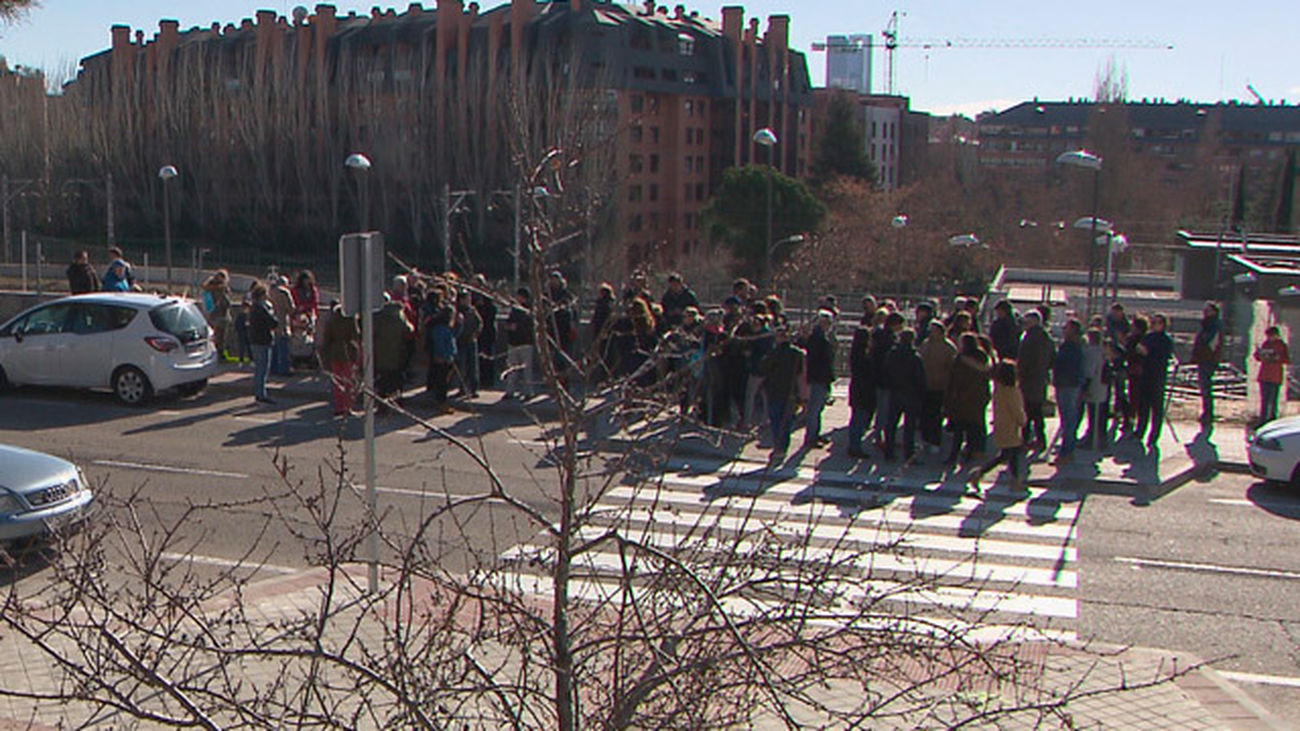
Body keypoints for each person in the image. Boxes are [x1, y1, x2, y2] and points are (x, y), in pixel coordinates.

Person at [968, 360, 1028, 497]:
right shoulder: (1012, 391)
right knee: (1009, 454)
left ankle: (1013, 480)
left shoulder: (999, 389)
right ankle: (982, 473)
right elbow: (1016, 409)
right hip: (1011, 427)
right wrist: (1023, 420)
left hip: (1002, 425)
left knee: (1008, 454)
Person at [944, 332, 992, 466]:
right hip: (978, 397)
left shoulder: (960, 360)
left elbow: (953, 381)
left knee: (959, 429)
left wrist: (948, 400)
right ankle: (972, 452)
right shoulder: (983, 358)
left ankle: (953, 456)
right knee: (975, 427)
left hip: (962, 398)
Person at [760, 325, 805, 459]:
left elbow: (763, 369)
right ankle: (783, 447)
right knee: (786, 422)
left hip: (775, 391)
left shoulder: (774, 353)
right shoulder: (797, 354)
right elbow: (800, 374)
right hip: (791, 392)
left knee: (776, 421)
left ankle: (778, 447)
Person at [882, 328, 925, 462]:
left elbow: (886, 371)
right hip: (911, 392)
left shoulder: (892, 354)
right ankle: (909, 454)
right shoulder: (915, 357)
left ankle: (888, 451)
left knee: (891, 424)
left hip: (895, 391)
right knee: (909, 427)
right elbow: (920, 378)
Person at [1134, 313, 1174, 449]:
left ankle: (1154, 436)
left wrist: (1148, 353)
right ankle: (1140, 431)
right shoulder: (1148, 337)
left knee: (1156, 408)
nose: (1155, 325)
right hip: (1145, 374)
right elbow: (1139, 350)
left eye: (1158, 323)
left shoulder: (1166, 340)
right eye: (1154, 322)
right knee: (1143, 406)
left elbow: (1162, 356)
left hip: (1158, 376)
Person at [1016, 310, 1054, 452]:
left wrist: (1020, 373)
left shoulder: (1029, 338)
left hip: (1029, 379)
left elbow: (1024, 360)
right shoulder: (1047, 339)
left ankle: (1025, 440)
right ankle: (1040, 440)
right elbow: (1052, 359)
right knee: (1037, 412)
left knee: (1027, 412)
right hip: (1040, 379)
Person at [918, 321, 956, 455]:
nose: (931, 332)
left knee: (936, 415)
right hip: (925, 384)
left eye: (933, 330)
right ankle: (925, 439)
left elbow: (953, 367)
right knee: (924, 414)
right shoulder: (925, 344)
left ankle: (935, 441)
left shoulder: (948, 347)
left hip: (940, 386)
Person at [1052, 319, 1085, 465]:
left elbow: (1069, 366)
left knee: (1068, 418)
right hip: (1066, 384)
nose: (1064, 330)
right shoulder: (1069, 345)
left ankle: (1067, 451)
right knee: (1067, 418)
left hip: (1068, 385)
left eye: (1066, 328)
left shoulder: (1072, 346)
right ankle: (1067, 450)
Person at [802, 309, 837, 450]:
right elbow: (821, 360)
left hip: (820, 377)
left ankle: (815, 434)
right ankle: (811, 437)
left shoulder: (820, 337)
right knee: (814, 409)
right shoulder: (818, 339)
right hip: (819, 377)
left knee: (818, 408)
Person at [318, 300, 360, 416]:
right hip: (348, 353)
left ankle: (338, 407)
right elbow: (356, 336)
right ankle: (348, 407)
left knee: (337, 382)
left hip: (335, 353)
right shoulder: (350, 320)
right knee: (348, 382)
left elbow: (326, 338)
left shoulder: (331, 321)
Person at [374, 293, 414, 411]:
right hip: (397, 352)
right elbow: (409, 329)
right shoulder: (399, 315)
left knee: (382, 381)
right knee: (396, 380)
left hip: (381, 352)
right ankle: (397, 403)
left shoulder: (378, 316)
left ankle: (382, 406)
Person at [846, 307, 877, 459]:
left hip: (856, 388)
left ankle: (853, 445)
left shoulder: (855, 353)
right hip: (863, 390)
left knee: (855, 418)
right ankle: (855, 446)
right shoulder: (864, 356)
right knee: (859, 419)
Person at [1191, 301, 1224, 426]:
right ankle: (1206, 412)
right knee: (1204, 386)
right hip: (1203, 358)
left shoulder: (1215, 325)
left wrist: (1204, 352)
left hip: (1208, 359)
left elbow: (1212, 343)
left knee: (1206, 386)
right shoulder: (1206, 324)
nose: (1205, 313)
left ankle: (1208, 413)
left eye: (1208, 310)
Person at [247, 283, 277, 405]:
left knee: (259, 368)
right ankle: (261, 394)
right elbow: (273, 322)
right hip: (263, 340)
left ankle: (259, 392)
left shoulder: (253, 308)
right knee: (262, 369)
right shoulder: (262, 308)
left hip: (255, 340)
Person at [503, 287, 535, 400]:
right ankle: (510, 390)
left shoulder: (529, 310)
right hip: (513, 342)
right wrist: (509, 326)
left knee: (527, 369)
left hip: (525, 342)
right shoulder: (515, 309)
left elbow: (529, 326)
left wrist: (517, 327)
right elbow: (509, 322)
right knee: (512, 368)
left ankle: (528, 391)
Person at [1254, 326, 1290, 425]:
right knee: (1264, 400)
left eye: (1271, 336)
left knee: (1273, 401)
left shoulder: (1281, 345)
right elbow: (1258, 357)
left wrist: (1277, 358)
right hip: (1264, 375)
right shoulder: (1266, 344)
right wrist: (1260, 354)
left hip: (1275, 376)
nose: (1269, 338)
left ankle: (1272, 420)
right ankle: (1262, 420)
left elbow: (1286, 359)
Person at [1081, 327, 1108, 450]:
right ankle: (1100, 438)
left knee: (1094, 415)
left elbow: (1089, 372)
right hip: (1102, 386)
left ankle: (1093, 439)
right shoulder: (1102, 351)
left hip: (1094, 386)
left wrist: (1085, 388)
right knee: (1100, 415)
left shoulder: (1091, 352)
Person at [200, 269, 234, 361]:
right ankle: (218, 354)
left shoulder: (217, 288)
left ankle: (219, 354)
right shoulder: (219, 289)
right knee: (218, 337)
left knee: (220, 337)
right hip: (218, 315)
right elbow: (226, 302)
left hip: (218, 315)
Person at [454, 288, 482, 398]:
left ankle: (473, 389)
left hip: (471, 341)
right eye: (466, 298)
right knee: (462, 366)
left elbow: (479, 323)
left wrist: (476, 333)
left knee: (473, 366)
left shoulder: (472, 311)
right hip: (460, 341)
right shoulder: (456, 311)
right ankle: (462, 388)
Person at [268, 275, 296, 375]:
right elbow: (291, 308)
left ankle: (272, 369)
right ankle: (284, 369)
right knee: (284, 347)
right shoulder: (284, 292)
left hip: (271, 321)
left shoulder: (270, 291)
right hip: (283, 322)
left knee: (274, 347)